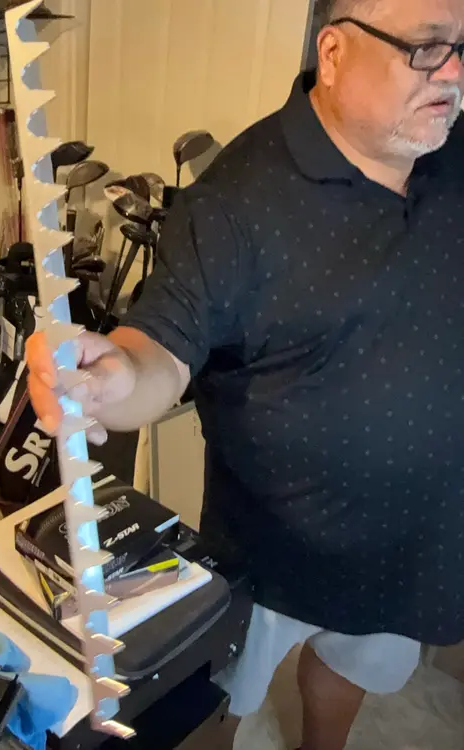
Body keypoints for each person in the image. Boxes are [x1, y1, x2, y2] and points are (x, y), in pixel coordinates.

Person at [26, 0, 464, 748]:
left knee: (351, 665)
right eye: (426, 48)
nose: (451, 74)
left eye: (461, 48)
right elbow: (159, 348)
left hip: (406, 542)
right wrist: (111, 378)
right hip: (273, 545)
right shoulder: (235, 200)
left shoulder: (447, 148)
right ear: (334, 52)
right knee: (217, 698)